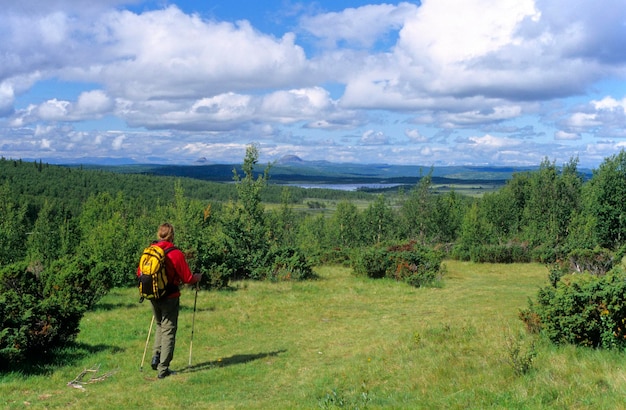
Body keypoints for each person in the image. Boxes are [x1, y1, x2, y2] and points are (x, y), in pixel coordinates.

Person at [138, 223, 202, 379]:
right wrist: (197, 278)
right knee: (169, 330)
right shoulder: (175, 253)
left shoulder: (150, 251)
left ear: (159, 234)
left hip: (153, 296)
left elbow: (140, 273)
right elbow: (187, 278)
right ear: (172, 235)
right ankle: (163, 369)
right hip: (170, 297)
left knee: (160, 325)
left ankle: (156, 357)